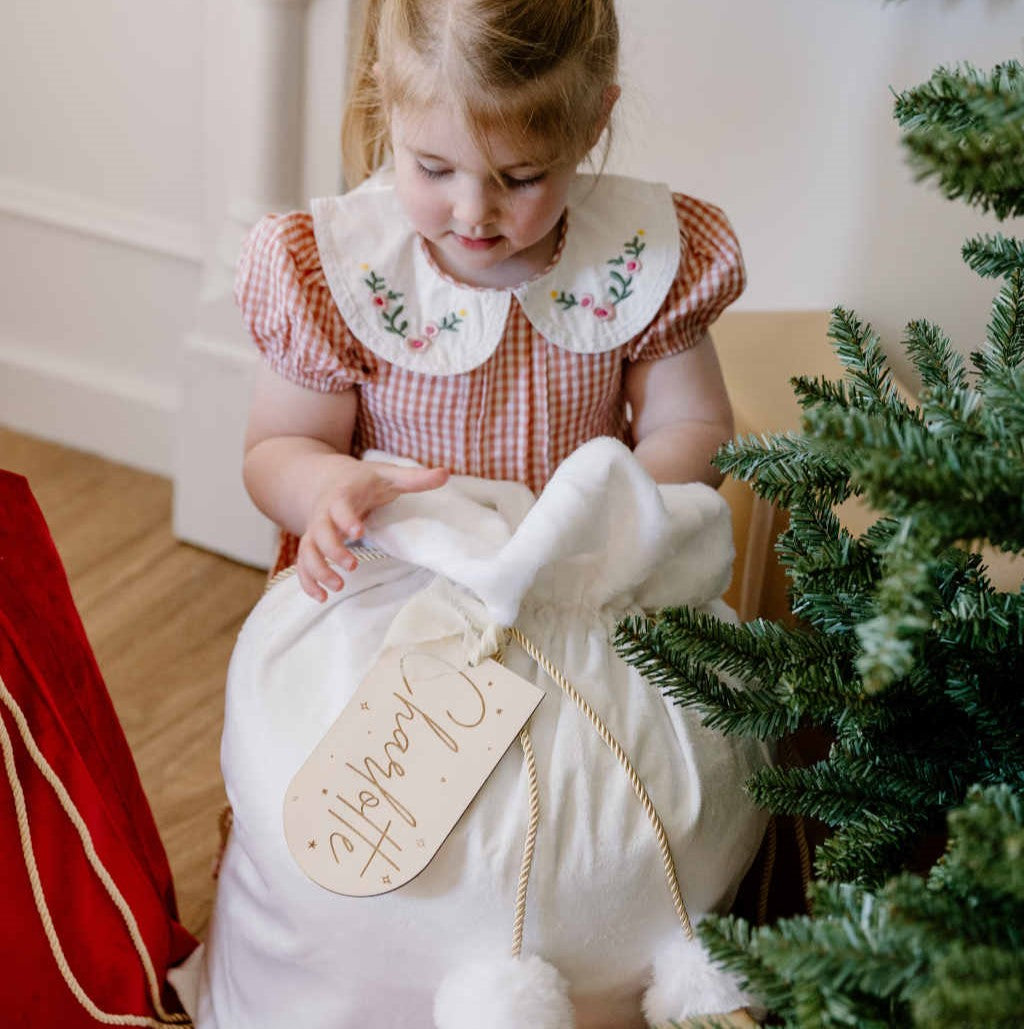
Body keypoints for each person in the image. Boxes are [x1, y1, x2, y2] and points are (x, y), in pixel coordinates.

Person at [238, 0, 744, 605]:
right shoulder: (341, 270)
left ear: (592, 123)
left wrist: (612, 513)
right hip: (395, 585)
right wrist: (325, 486)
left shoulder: (634, 259)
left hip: (578, 582)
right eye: (434, 169)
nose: (473, 211)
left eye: (521, 177)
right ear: (389, 104)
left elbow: (693, 426)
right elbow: (278, 448)